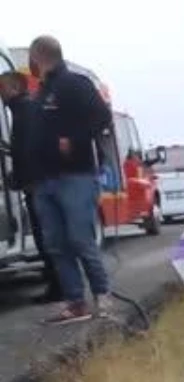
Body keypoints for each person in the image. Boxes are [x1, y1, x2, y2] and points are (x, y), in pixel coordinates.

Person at [27, 35, 113, 324]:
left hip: (75, 176)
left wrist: (74, 139)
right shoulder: (41, 92)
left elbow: (102, 116)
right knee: (57, 244)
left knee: (80, 238)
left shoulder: (75, 84)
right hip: (45, 180)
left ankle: (103, 296)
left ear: (38, 56)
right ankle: (76, 303)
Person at [0, 71, 61, 303]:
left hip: (36, 184)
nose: (1, 94)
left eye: (3, 89)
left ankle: (59, 287)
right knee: (46, 236)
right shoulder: (24, 109)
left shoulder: (24, 110)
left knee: (46, 236)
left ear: (15, 88)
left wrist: (21, 175)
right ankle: (58, 285)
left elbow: (29, 149)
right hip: (36, 182)